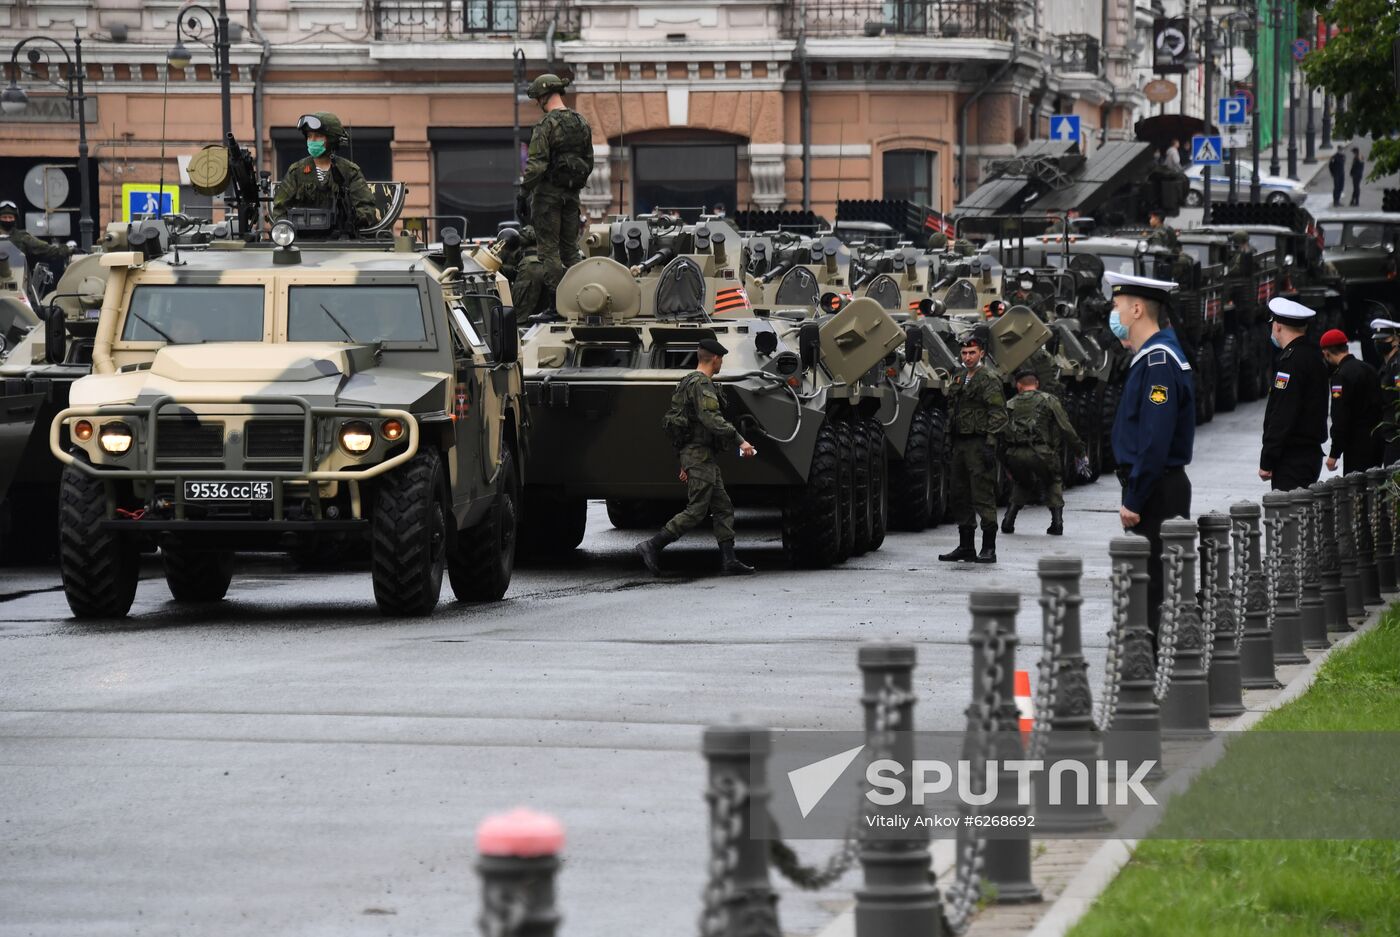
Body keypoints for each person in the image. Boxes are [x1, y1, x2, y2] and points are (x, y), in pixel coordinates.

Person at [1107, 270, 1195, 643]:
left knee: (1156, 583)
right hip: (1156, 486)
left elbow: (1154, 440)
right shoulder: (1154, 356)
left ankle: (1157, 665)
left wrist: (1136, 497)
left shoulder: (1159, 362)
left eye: (1117, 308)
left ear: (1138, 310)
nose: (1114, 315)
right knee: (1153, 579)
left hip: (1156, 490)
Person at [635, 338, 757, 576]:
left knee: (723, 507)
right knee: (697, 510)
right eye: (721, 359)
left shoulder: (686, 383)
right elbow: (711, 419)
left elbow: (680, 425)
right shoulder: (701, 384)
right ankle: (652, 545)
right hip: (699, 456)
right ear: (715, 358)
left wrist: (683, 460)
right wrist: (741, 441)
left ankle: (729, 560)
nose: (722, 363)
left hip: (699, 456)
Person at [523, 74, 594, 307]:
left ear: (544, 97)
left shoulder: (546, 125)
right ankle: (584, 297)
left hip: (548, 198)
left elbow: (537, 165)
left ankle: (558, 305)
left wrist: (524, 191)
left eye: (538, 99)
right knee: (571, 250)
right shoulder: (581, 122)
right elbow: (589, 162)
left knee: (549, 252)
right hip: (572, 196)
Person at [938, 326, 1007, 564]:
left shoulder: (989, 379)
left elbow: (998, 414)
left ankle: (988, 547)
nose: (967, 357)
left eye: (972, 353)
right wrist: (948, 442)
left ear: (982, 354)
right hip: (960, 444)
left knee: (983, 495)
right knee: (959, 494)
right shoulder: (958, 377)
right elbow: (952, 412)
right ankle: (966, 546)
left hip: (978, 445)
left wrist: (990, 443)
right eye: (964, 353)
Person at [1000, 368, 1086, 536]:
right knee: (1053, 479)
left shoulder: (1010, 404)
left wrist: (1005, 461)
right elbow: (1066, 429)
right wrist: (1080, 452)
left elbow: (1000, 432)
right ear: (1037, 384)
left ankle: (1008, 520)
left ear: (1018, 385)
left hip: (1015, 454)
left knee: (1022, 481)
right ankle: (1057, 523)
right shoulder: (1049, 400)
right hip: (1042, 453)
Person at [1259, 297, 1328, 490]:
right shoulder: (1313, 356)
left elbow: (1283, 413)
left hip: (1292, 458)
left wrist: (1268, 458)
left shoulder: (1291, 362)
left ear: (1278, 326)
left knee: (1287, 516)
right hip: (1309, 455)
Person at [271, 113, 379, 234]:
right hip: (302, 242)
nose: (312, 141)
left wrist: (349, 218)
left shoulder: (349, 171)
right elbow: (280, 209)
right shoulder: (297, 171)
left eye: (318, 136)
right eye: (309, 136)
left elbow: (367, 209)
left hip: (341, 242)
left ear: (332, 139)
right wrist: (286, 232)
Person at [1319, 328, 1383, 474]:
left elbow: (1340, 417)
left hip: (1356, 445)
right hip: (1377, 440)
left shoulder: (1340, 376)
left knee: (1356, 490)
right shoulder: (1369, 368)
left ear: (1326, 352)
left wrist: (1334, 453)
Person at [0, 199, 71, 266]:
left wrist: (68, 250)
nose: (7, 220)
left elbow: (46, 249)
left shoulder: (23, 237)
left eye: (10, 217)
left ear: (15, 219)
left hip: (18, 276)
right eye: (4, 217)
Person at [1372, 319, 1400, 463]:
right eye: (1377, 340)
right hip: (1389, 434)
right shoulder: (1386, 365)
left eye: (1384, 339)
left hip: (1396, 434)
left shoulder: (1397, 365)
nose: (1379, 343)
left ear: (1396, 340)